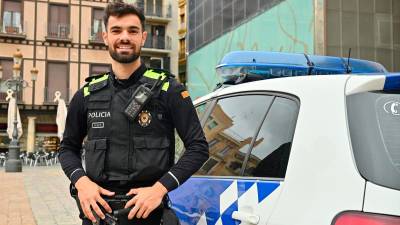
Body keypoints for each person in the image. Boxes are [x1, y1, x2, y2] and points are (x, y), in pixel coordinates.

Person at [58, 2, 209, 225]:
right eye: (117, 30)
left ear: (143, 37)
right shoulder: (86, 95)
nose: (125, 37)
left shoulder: (170, 90)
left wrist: (159, 189)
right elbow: (67, 148)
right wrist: (82, 183)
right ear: (105, 37)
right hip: (98, 216)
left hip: (151, 216)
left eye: (133, 30)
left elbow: (198, 148)